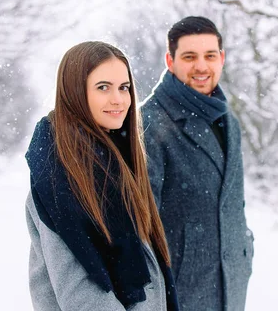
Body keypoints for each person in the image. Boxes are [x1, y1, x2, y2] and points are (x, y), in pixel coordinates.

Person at [25, 41, 179, 311]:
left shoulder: (114, 161)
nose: (118, 99)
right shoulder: (58, 175)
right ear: (75, 92)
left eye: (124, 88)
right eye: (103, 87)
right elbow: (81, 291)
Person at [140, 16, 254, 311]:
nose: (201, 67)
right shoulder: (148, 124)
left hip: (232, 285)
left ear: (222, 59)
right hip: (181, 293)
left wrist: (245, 247)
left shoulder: (228, 120)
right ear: (170, 60)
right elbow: (139, 229)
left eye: (210, 56)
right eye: (189, 57)